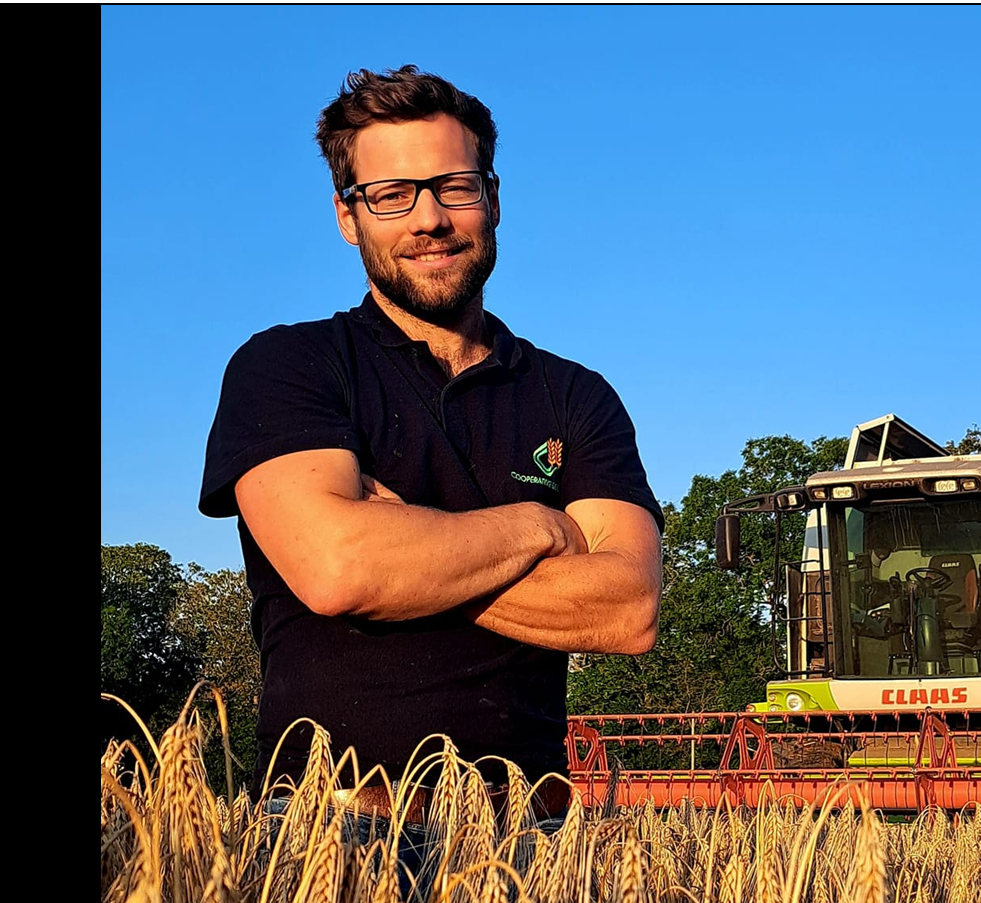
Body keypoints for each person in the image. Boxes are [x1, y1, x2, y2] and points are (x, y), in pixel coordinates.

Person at [199, 66, 664, 808]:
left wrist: (403, 549)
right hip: (328, 827)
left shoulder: (576, 396)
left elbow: (627, 607)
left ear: (494, 198)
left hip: (531, 840)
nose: (429, 219)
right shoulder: (287, 367)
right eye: (390, 194)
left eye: (454, 186)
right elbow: (338, 567)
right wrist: (537, 526)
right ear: (348, 217)